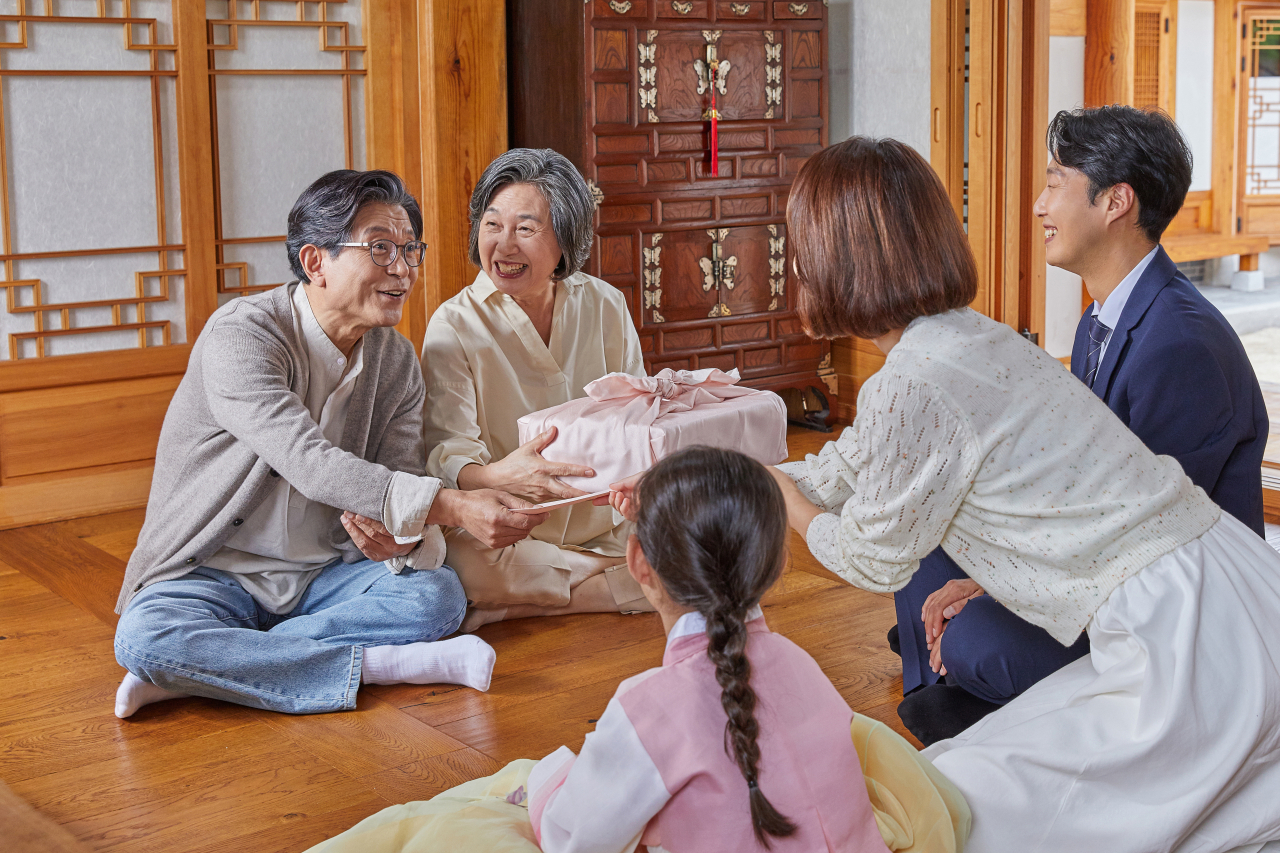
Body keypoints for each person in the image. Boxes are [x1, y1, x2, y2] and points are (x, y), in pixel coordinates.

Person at [759, 136, 1280, 851]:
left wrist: (776, 493)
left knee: (989, 814)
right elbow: (851, 462)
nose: (796, 264)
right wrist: (756, 471)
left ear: (841, 257)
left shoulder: (913, 378)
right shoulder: (967, 336)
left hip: (1181, 635)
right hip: (1229, 587)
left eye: (801, 245)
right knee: (968, 784)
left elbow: (869, 557)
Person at [304, 448, 970, 853]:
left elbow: (572, 837)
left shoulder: (649, 707)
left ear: (638, 563)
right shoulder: (804, 667)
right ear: (773, 567)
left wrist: (542, 778)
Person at [890, 106, 1269, 745]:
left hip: (1169, 618)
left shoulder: (1181, 344)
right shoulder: (1106, 315)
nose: (1040, 204)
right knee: (927, 539)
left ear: (1116, 202)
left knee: (973, 628)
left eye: (1056, 182)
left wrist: (995, 581)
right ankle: (947, 688)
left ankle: (963, 682)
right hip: (1105, 567)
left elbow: (1136, 546)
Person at [112, 169, 546, 718]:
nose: (404, 269)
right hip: (211, 575)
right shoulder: (243, 336)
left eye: (412, 250)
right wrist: (455, 504)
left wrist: (403, 542)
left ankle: (203, 673)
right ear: (316, 261)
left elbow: (397, 482)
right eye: (382, 248)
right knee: (144, 636)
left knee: (435, 597)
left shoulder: (395, 363)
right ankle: (379, 665)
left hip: (323, 578)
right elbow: (308, 462)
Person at [422, 148, 651, 631]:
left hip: (607, 518)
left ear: (565, 241)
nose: (503, 246)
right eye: (492, 225)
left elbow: (638, 418)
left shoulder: (606, 305)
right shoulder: (453, 324)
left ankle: (529, 602)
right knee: (464, 568)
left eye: (525, 229)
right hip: (510, 531)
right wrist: (503, 477)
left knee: (707, 532)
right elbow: (449, 455)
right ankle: (631, 586)